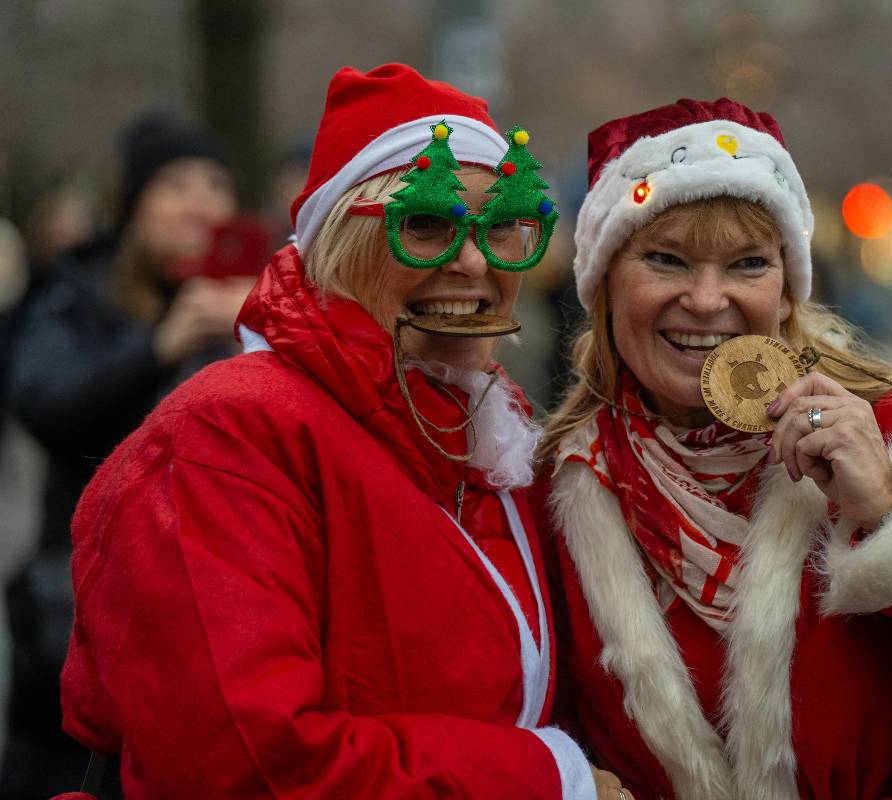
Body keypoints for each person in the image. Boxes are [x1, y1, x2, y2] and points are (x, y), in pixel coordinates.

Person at [51, 64, 615, 799]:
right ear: (339, 245)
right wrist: (550, 779)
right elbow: (243, 763)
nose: (473, 260)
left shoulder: (487, 430)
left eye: (502, 226)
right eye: (426, 224)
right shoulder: (228, 434)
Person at [536, 99, 892, 800]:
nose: (705, 299)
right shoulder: (558, 488)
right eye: (665, 259)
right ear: (603, 284)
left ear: (786, 291)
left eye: (747, 264)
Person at [3, 115, 245, 798]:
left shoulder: (247, 301)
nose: (200, 200)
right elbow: (43, 402)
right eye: (174, 183)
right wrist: (158, 347)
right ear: (134, 206)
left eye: (215, 183)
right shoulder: (73, 293)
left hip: (203, 614)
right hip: (74, 616)